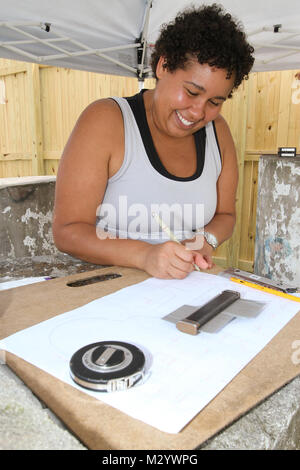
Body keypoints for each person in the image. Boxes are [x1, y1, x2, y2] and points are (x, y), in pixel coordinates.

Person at [52, 4, 254, 280]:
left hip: (184, 289)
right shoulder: (106, 121)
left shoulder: (218, 133)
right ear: (163, 65)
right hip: (106, 293)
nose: (198, 112)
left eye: (214, 102)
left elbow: (226, 215)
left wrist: (200, 243)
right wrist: (145, 255)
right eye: (192, 92)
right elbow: (68, 231)